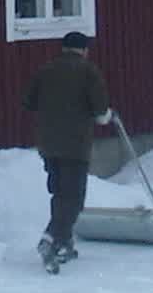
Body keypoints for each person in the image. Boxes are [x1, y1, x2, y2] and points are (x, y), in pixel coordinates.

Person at [21, 30, 112, 271]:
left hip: (48, 144)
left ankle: (65, 242)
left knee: (59, 194)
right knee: (73, 198)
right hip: (75, 145)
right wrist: (108, 115)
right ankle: (51, 239)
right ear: (83, 50)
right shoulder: (88, 72)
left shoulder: (45, 70)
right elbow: (101, 112)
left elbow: (29, 102)